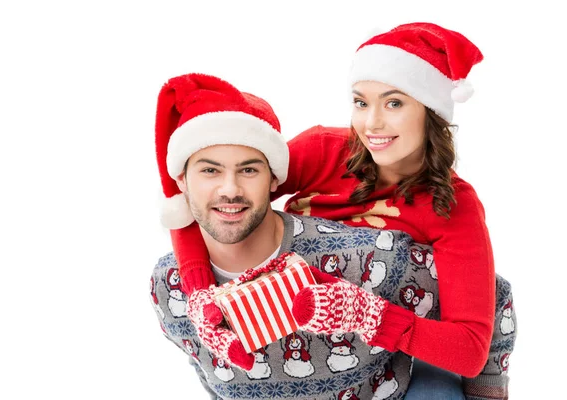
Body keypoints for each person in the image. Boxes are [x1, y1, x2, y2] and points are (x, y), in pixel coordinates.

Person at [163, 23, 516, 399]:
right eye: (361, 102)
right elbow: (213, 203)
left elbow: (469, 347)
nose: (371, 123)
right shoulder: (326, 151)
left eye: (393, 103)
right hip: (299, 323)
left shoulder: (453, 206)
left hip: (393, 334)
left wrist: (367, 314)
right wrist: (198, 288)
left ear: (430, 110)